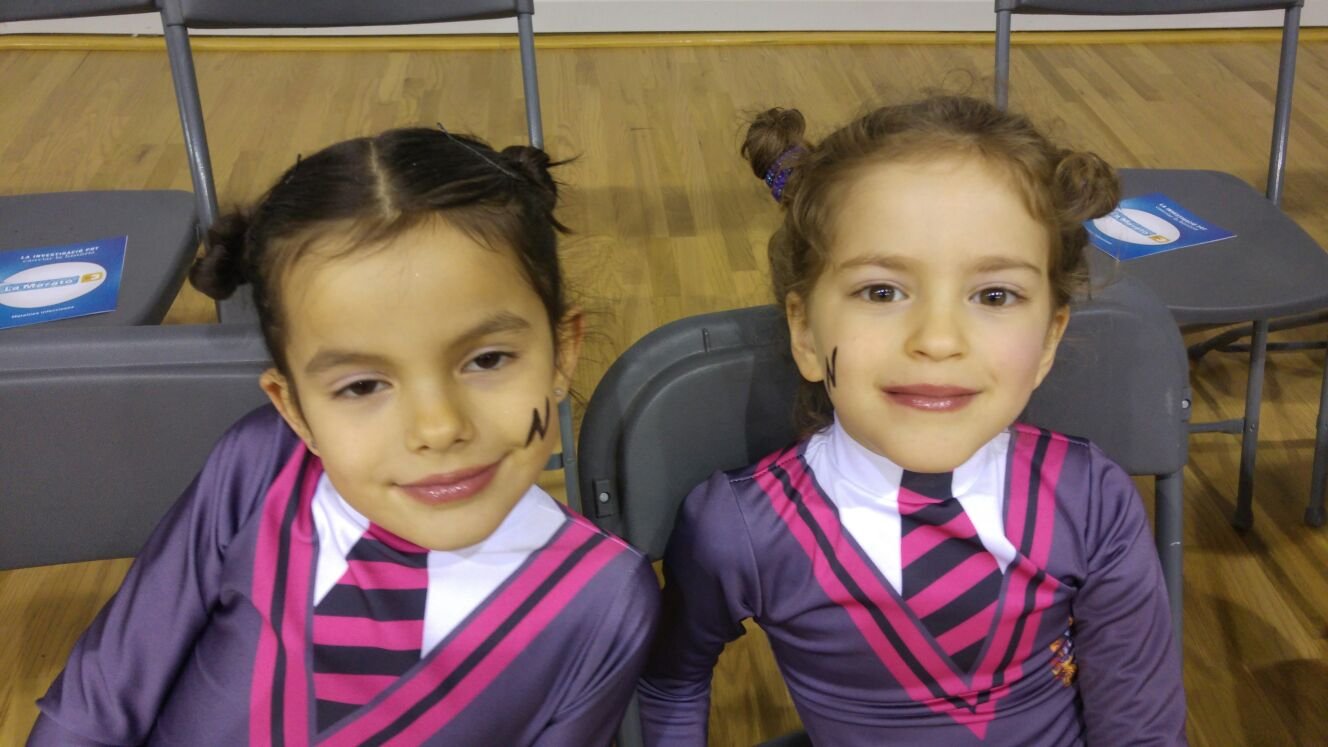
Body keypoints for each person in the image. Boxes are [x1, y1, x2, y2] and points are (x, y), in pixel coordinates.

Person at [29, 127, 659, 746]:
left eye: (487, 360)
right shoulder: (258, 466)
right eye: (362, 387)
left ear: (561, 354)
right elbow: (96, 704)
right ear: (294, 410)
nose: (439, 428)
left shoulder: (603, 600)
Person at [638, 96, 1186, 745]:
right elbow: (670, 682)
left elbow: (1141, 730)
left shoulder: (1091, 499)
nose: (937, 339)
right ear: (806, 332)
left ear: (1047, 341)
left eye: (994, 295)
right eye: (882, 291)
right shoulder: (740, 530)